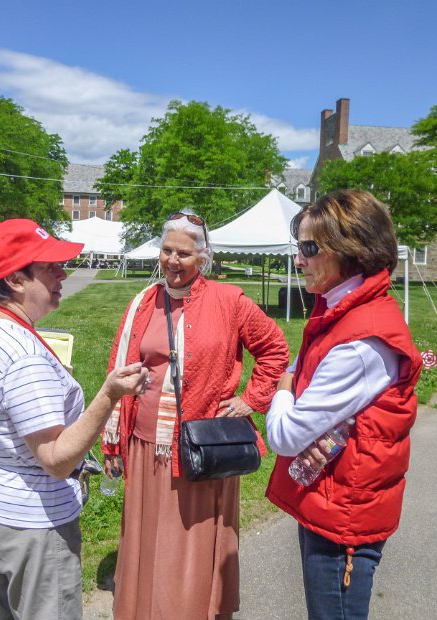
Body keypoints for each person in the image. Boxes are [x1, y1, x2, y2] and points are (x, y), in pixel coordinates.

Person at [0, 219, 149, 620]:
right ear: (14, 279)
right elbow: (57, 460)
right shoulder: (23, 356)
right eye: (48, 266)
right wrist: (109, 394)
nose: (63, 273)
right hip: (30, 522)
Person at [102, 210, 289, 619]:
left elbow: (276, 348)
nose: (172, 260)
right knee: (147, 536)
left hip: (198, 449)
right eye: (167, 250)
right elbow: (119, 370)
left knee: (189, 542)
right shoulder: (142, 302)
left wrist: (251, 400)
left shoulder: (229, 301)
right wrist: (112, 438)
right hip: (144, 442)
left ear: (202, 258)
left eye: (183, 254)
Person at [265, 189, 423, 620]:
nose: (299, 260)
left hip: (343, 521)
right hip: (331, 501)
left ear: (350, 250)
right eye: (299, 247)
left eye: (309, 248)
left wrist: (282, 385)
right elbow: (305, 376)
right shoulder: (340, 311)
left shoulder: (358, 340)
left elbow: (284, 434)